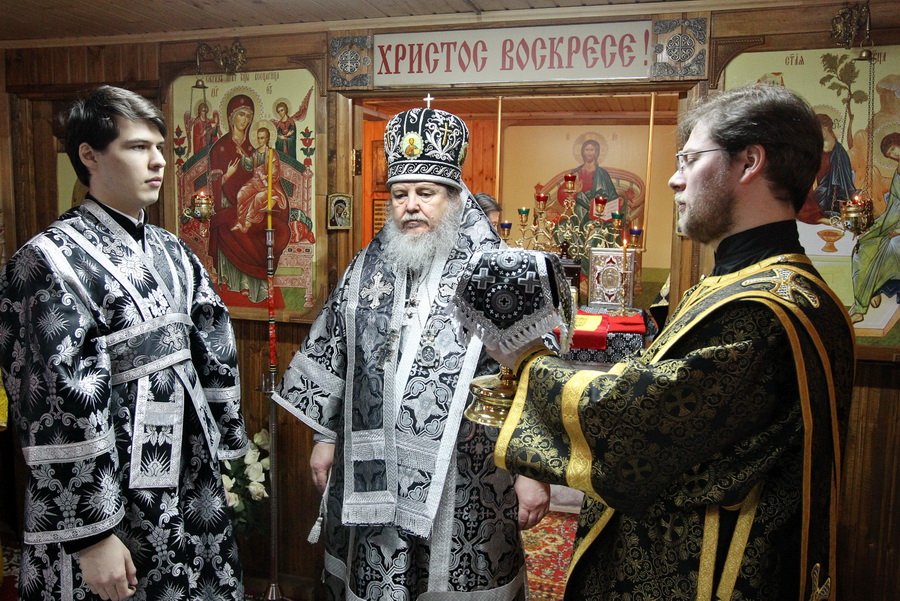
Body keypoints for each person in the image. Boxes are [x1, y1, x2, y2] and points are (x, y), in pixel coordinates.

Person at [456, 84, 855, 600]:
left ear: (749, 162)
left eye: (690, 158)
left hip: (709, 574)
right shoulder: (772, 287)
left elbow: (639, 422)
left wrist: (524, 358)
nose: (674, 178)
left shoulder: (761, 310)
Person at [274, 106, 551, 600]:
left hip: (466, 473)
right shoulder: (367, 267)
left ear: (455, 197)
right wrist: (324, 437)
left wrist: (532, 470)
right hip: (372, 469)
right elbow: (336, 353)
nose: (411, 207)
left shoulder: (499, 272)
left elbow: (534, 377)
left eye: (426, 193)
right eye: (400, 194)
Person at [0, 85, 249, 601]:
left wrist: (222, 444)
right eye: (138, 147)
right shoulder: (48, 260)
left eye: (160, 147)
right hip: (110, 497)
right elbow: (54, 402)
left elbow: (213, 341)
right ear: (89, 156)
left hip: (188, 482)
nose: (158, 162)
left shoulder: (173, 250)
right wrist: (91, 535)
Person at [207, 94, 309, 303]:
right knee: (233, 225)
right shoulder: (220, 147)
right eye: (241, 115)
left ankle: (255, 286)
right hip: (228, 204)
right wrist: (226, 176)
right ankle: (235, 283)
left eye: (248, 116)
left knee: (271, 230)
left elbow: (266, 174)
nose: (244, 120)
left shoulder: (254, 147)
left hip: (252, 204)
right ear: (231, 116)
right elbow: (214, 182)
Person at [849, 131, 900, 322]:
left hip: (897, 228)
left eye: (894, 149)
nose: (894, 154)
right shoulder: (898, 171)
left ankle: (873, 289)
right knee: (863, 245)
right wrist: (876, 227)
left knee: (892, 247)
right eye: (890, 153)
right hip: (892, 221)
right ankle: (863, 302)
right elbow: (894, 205)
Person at [232, 126, 289, 234]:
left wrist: (266, 176)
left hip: (269, 185)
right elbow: (250, 166)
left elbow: (275, 171)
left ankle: (248, 222)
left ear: (267, 138)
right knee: (241, 194)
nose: (260, 140)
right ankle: (240, 221)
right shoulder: (255, 152)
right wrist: (242, 154)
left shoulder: (271, 153)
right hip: (255, 181)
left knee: (258, 197)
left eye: (262, 138)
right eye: (258, 138)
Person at [559, 138, 622, 221]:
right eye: (587, 150)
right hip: (580, 213)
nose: (589, 153)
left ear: (596, 152)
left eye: (592, 150)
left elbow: (612, 195)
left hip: (599, 214)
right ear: (583, 152)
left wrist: (619, 201)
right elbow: (563, 194)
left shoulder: (603, 174)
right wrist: (574, 193)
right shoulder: (576, 173)